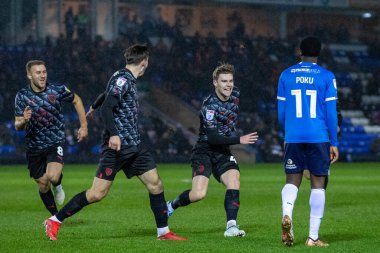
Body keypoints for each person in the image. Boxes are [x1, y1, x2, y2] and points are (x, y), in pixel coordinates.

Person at [43, 44, 186, 241]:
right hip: (117, 147)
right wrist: (114, 134)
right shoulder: (123, 79)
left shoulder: (121, 76)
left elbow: (106, 95)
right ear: (144, 62)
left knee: (156, 185)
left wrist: (93, 105)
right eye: (148, 60)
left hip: (134, 145)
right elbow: (108, 107)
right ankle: (55, 220)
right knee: (96, 194)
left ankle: (163, 232)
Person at [167, 63, 259, 237]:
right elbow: (213, 137)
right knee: (199, 194)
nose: (228, 85)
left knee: (234, 180)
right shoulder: (209, 106)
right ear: (215, 83)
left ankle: (231, 226)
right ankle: (172, 205)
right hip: (205, 151)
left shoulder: (236, 94)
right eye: (223, 81)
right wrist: (239, 140)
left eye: (231, 81)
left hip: (222, 152)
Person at [277, 36, 339, 247]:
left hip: (293, 136)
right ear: (319, 53)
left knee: (292, 180)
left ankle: (287, 214)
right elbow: (331, 114)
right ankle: (312, 237)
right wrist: (334, 142)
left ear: (299, 51)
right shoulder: (327, 77)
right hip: (318, 136)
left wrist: (289, 131)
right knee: (318, 184)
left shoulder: (285, 75)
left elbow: (281, 114)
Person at [14, 60, 88, 215]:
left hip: (54, 142)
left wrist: (84, 126)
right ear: (29, 75)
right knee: (43, 184)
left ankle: (58, 185)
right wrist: (24, 120)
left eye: (44, 72)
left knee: (53, 177)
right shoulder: (21, 96)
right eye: (38, 72)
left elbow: (77, 100)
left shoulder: (57, 90)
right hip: (34, 146)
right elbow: (17, 125)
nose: (42, 75)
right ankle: (54, 217)